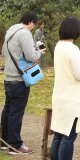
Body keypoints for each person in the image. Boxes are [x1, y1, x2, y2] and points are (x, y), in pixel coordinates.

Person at [1, 10, 45, 155]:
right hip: (19, 79)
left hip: (8, 77)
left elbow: (4, 52)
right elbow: (31, 56)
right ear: (31, 22)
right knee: (16, 112)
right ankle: (15, 145)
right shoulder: (25, 33)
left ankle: (4, 142)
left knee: (8, 109)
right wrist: (39, 53)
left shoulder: (10, 31)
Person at [50, 15, 80, 160]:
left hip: (59, 95)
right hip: (70, 98)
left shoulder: (58, 46)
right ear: (76, 30)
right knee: (68, 136)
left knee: (59, 134)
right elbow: (78, 74)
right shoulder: (73, 49)